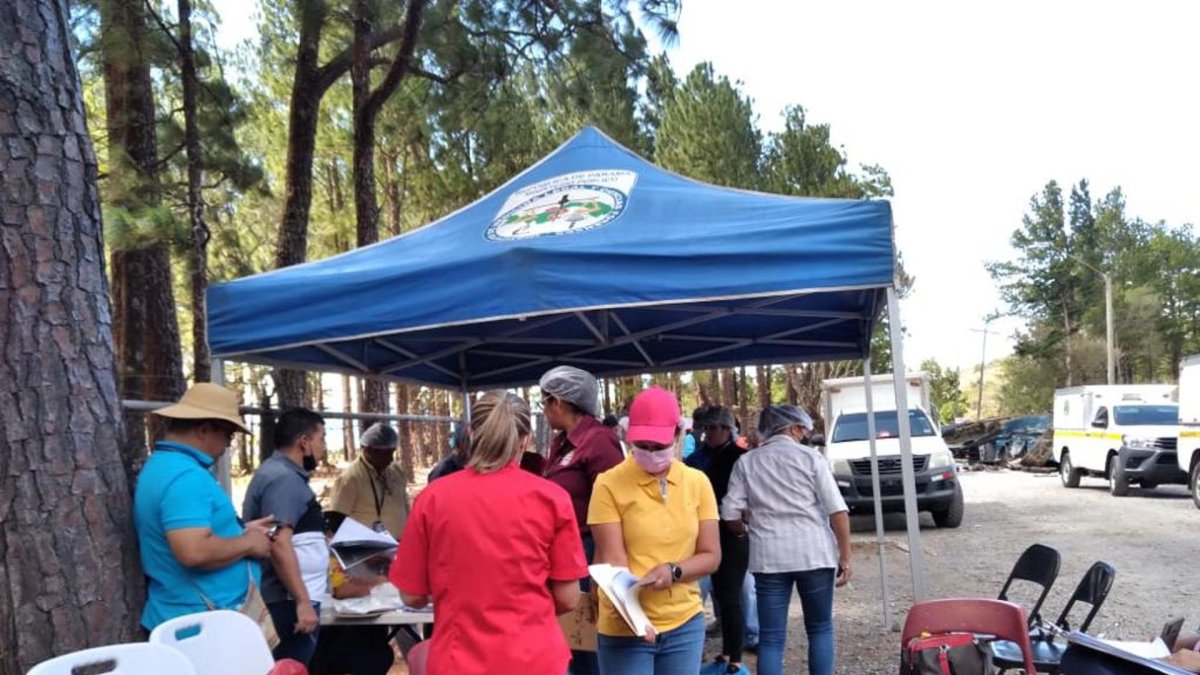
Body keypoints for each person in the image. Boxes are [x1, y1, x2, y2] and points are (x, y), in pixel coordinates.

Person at [390, 391, 587, 674]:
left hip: (458, 660)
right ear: (525, 439)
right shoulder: (551, 499)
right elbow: (568, 597)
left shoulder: (432, 499)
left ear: (471, 433)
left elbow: (411, 595)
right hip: (534, 658)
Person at [588, 386, 721, 675]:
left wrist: (673, 571)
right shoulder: (608, 484)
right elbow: (614, 563)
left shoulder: (697, 483)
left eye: (658, 447)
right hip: (625, 626)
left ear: (678, 434)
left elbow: (711, 556)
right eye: (642, 446)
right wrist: (634, 616)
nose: (650, 454)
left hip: (684, 623)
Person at [721, 405, 852, 675]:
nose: (804, 435)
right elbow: (837, 510)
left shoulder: (747, 462)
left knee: (771, 637)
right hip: (814, 553)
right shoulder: (811, 459)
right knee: (819, 628)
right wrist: (846, 556)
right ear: (792, 428)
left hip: (769, 557)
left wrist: (744, 531)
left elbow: (729, 513)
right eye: (803, 429)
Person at [133, 383, 274, 631]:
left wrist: (238, 530)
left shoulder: (165, 466)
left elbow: (186, 529)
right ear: (204, 429)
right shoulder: (186, 477)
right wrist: (250, 542)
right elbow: (193, 551)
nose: (228, 445)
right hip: (202, 624)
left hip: (193, 615)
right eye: (228, 435)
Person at [541, 366, 625, 675]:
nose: (545, 411)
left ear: (559, 402)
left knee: (587, 638)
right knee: (572, 639)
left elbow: (616, 505)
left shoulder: (598, 441)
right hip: (565, 548)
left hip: (591, 550)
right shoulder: (562, 441)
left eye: (545, 403)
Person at [243, 409, 330, 664]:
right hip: (285, 601)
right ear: (304, 442)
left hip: (288, 598)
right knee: (289, 666)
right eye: (321, 438)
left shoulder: (281, 474)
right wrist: (302, 602)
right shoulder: (284, 479)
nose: (323, 447)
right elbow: (279, 541)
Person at [309, 511, 394, 675]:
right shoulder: (328, 557)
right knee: (375, 652)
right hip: (337, 640)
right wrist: (378, 580)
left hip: (341, 636)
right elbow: (342, 590)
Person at [701, 406, 750, 674]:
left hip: (732, 534)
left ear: (727, 429)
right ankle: (727, 652)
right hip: (714, 531)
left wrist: (741, 528)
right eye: (705, 428)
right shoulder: (708, 456)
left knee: (732, 597)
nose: (707, 433)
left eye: (713, 428)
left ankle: (735, 659)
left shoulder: (739, 455)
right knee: (721, 594)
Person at [329, 422, 409, 539]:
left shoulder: (396, 471)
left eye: (392, 452)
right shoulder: (350, 479)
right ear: (369, 450)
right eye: (386, 453)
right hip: (369, 550)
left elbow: (405, 505)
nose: (391, 459)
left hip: (400, 543)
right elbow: (336, 521)